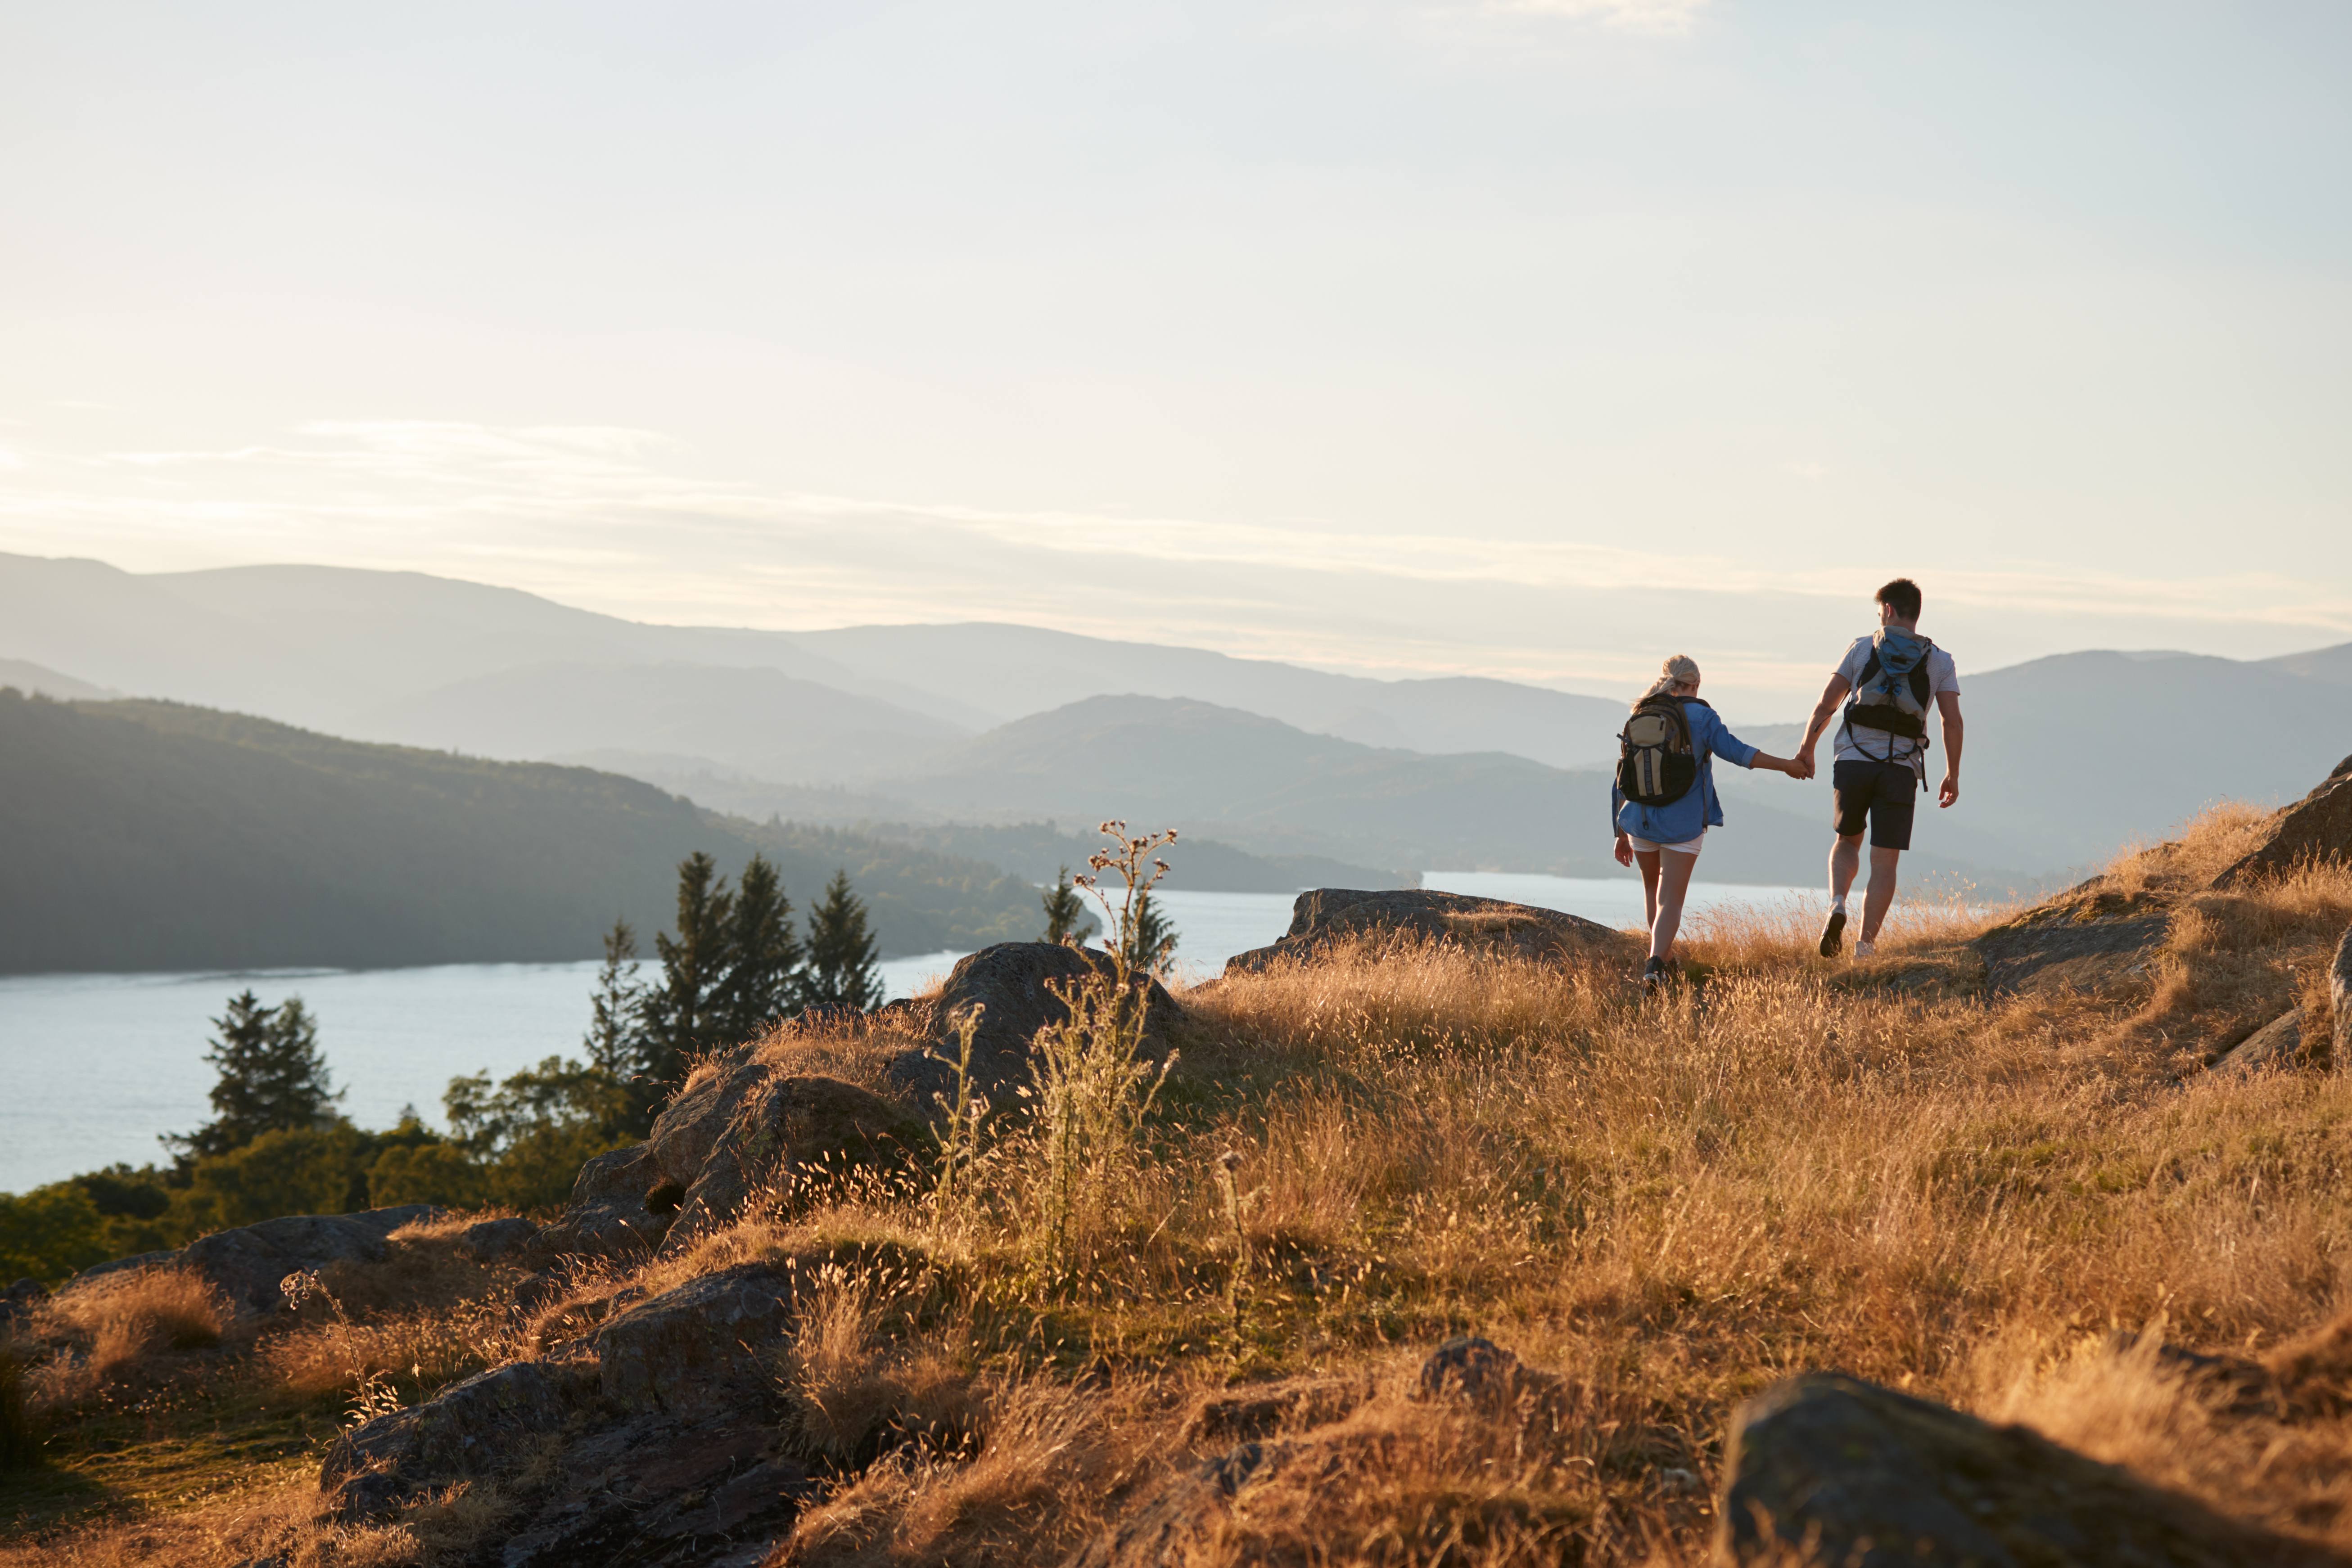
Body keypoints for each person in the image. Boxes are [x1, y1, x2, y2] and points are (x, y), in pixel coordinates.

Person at [1612, 654, 1810, 991]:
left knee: (1652, 892)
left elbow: (1621, 777)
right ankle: (1654, 966)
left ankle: (1665, 962)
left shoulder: (1641, 713)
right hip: (1682, 823)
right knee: (1670, 900)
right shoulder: (1703, 717)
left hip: (1638, 820)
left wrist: (1619, 831)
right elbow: (1738, 752)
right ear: (1697, 684)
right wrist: (1787, 765)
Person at [1794, 577, 1964, 960]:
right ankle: (1865, 947)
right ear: (1915, 612)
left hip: (1853, 762)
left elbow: (1827, 705)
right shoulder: (1940, 661)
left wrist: (1807, 749)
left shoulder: (1860, 648)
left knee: (1846, 841)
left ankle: (1837, 903)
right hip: (1900, 769)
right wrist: (1952, 773)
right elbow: (1951, 723)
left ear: (1887, 610)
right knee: (1884, 862)